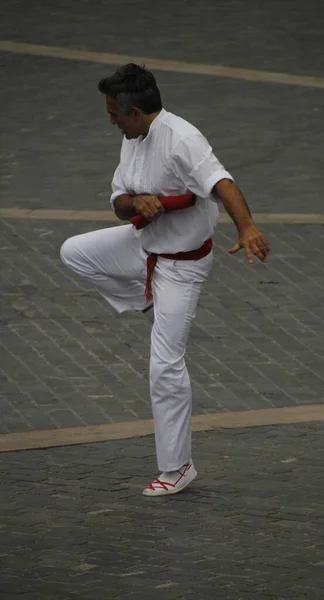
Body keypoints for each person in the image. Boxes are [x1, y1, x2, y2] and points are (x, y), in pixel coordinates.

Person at [60, 64, 270, 497]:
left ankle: (177, 468)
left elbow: (222, 183)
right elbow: (119, 202)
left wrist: (247, 228)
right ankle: (150, 302)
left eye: (114, 114)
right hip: (143, 245)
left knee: (165, 365)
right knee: (74, 251)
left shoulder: (182, 139)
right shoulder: (132, 138)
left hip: (182, 265)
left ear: (134, 110)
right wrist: (135, 200)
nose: (110, 121)